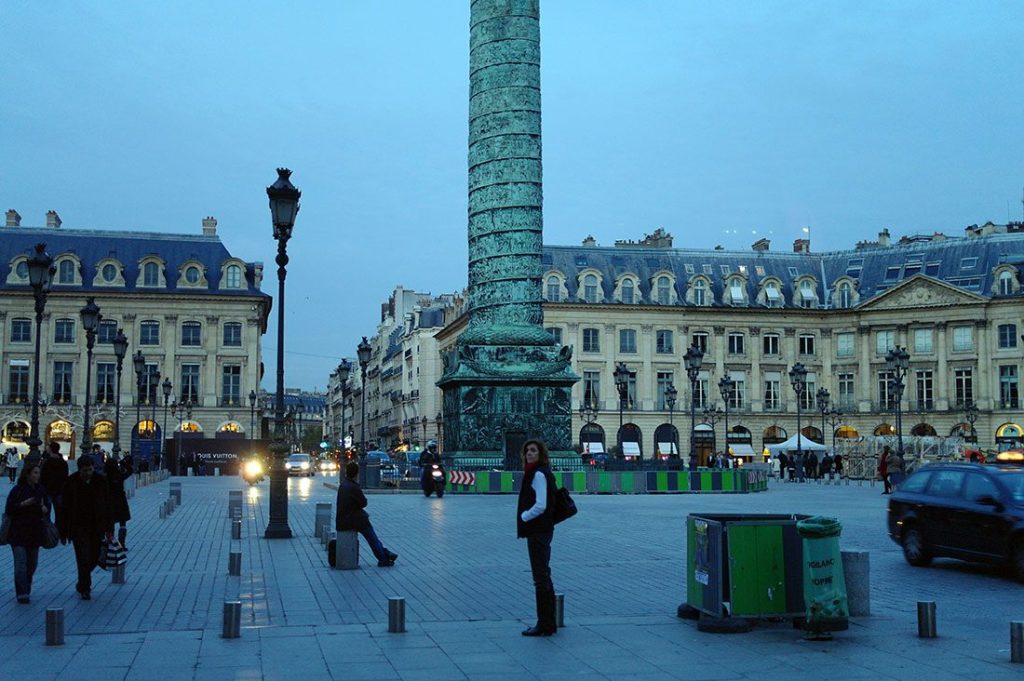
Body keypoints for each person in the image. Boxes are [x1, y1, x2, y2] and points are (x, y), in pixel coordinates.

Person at [517, 439, 558, 637]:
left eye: (533, 451)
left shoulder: (538, 474)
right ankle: (549, 621)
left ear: (541, 453)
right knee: (544, 575)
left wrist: (524, 516)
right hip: (543, 529)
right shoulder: (540, 472)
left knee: (540, 577)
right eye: (527, 451)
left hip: (538, 530)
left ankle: (544, 623)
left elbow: (541, 504)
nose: (529, 454)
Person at [57, 457, 113, 600]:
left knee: (94, 556)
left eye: (90, 469)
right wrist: (62, 531)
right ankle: (85, 587)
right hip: (78, 526)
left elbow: (108, 505)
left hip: (97, 526)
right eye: (85, 470)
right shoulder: (71, 482)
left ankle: (82, 581)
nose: (88, 473)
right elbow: (63, 508)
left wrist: (110, 528)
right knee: (82, 557)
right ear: (79, 469)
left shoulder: (101, 481)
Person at [335, 461, 397, 567]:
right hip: (352, 520)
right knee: (371, 536)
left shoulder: (344, 484)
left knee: (371, 534)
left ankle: (385, 553)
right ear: (356, 474)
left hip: (343, 519)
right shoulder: (353, 487)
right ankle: (383, 557)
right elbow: (364, 503)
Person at [4, 463, 50, 604]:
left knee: (32, 564)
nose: (38, 475)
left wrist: (44, 508)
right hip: (18, 532)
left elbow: (47, 508)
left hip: (34, 532)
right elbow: (9, 509)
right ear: (28, 474)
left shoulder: (41, 490)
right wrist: (24, 504)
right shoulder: (17, 490)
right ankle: (22, 593)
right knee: (21, 564)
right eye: (35, 473)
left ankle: (26, 585)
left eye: (38, 473)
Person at [105, 450, 133, 548]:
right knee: (122, 522)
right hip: (120, 500)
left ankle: (110, 542)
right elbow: (130, 470)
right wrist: (122, 462)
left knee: (110, 523)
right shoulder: (119, 475)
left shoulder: (104, 477)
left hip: (108, 501)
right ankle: (122, 543)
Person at [40, 441, 69, 509]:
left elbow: (42, 477)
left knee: (46, 513)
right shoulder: (63, 462)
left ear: (50, 449)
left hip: (48, 490)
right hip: (59, 491)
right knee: (59, 513)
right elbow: (65, 477)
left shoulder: (46, 462)